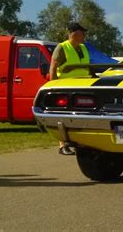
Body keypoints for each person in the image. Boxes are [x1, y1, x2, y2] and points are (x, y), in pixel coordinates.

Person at [50, 22, 90, 155]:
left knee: (81, 116)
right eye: (82, 32)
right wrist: (53, 86)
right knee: (63, 116)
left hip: (83, 87)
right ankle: (63, 145)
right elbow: (53, 67)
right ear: (74, 33)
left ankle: (80, 142)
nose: (84, 35)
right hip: (66, 87)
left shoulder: (83, 47)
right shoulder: (62, 47)